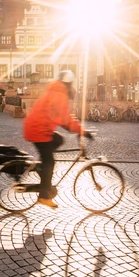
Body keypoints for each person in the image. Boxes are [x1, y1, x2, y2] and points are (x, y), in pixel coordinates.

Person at [23, 70, 92, 208]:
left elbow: (61, 117)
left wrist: (71, 127)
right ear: (68, 83)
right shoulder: (59, 94)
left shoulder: (54, 90)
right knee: (50, 162)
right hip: (39, 130)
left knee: (59, 140)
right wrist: (82, 131)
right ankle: (43, 196)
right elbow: (65, 118)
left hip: (39, 127)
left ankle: (41, 165)